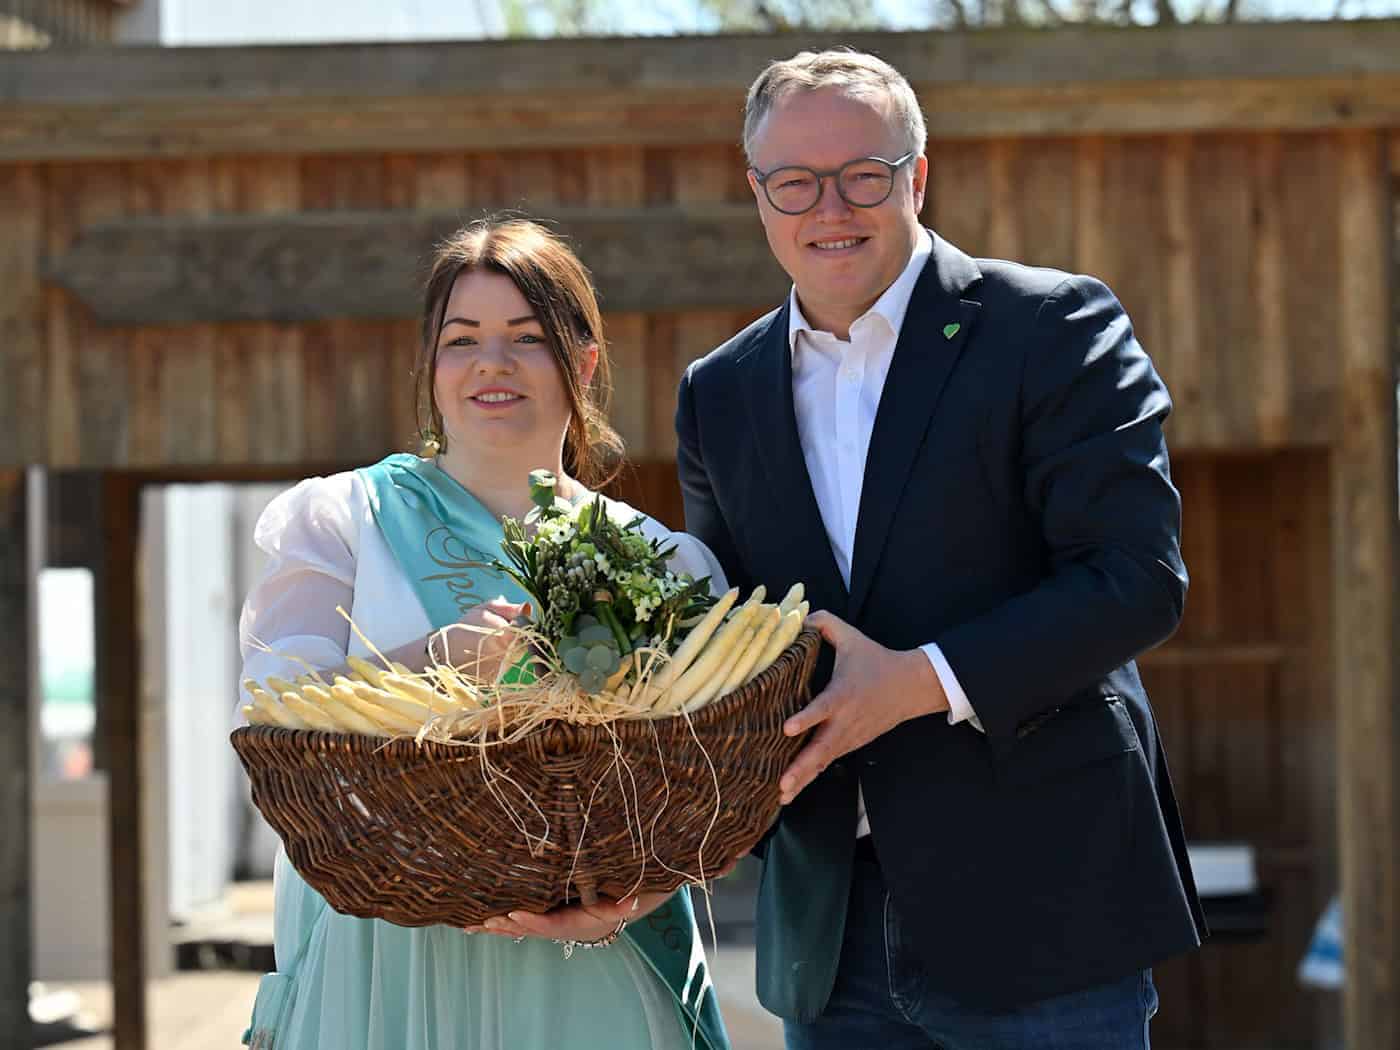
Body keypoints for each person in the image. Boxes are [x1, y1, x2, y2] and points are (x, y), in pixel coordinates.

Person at [675, 49, 1206, 1049]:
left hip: (1040, 915)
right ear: (756, 195)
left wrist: (917, 682)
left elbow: (1134, 579)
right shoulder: (718, 390)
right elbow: (727, 634)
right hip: (828, 942)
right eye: (792, 181)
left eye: (861, 174)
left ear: (915, 176)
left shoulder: (1050, 327)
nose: (826, 206)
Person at [239, 217, 730, 1050]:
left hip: (597, 964)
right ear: (430, 367)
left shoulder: (663, 562)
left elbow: (708, 784)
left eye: (527, 339)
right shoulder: (342, 521)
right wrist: (442, 662)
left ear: (583, 361)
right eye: (462, 340)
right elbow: (276, 714)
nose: (491, 365)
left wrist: (623, 906)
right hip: (390, 955)